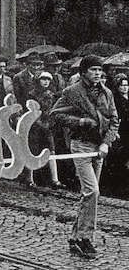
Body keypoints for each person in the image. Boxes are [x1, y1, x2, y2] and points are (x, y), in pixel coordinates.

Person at [50, 55, 118, 259]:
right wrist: (79, 121)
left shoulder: (107, 93)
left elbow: (114, 120)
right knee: (92, 191)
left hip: (99, 147)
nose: (97, 74)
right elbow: (55, 115)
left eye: (100, 70)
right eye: (93, 70)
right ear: (83, 72)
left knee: (89, 195)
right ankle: (86, 238)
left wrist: (107, 142)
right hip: (81, 145)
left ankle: (75, 237)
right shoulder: (72, 92)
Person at [27, 72, 63, 188]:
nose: (46, 82)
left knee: (51, 150)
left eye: (48, 79)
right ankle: (29, 178)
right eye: (43, 79)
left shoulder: (51, 94)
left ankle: (55, 179)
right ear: (38, 80)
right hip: (34, 125)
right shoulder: (32, 94)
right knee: (33, 151)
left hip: (48, 126)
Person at [101, 73, 129, 198]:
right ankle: (116, 186)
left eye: (126, 85)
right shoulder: (116, 99)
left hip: (127, 129)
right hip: (120, 130)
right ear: (117, 87)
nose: (125, 88)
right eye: (122, 85)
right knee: (118, 158)